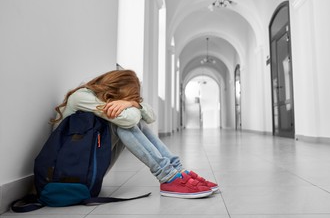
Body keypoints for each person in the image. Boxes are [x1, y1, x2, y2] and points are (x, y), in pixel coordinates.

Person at [51, 69, 218, 199]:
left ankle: (177, 171)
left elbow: (151, 116)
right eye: (125, 97)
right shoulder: (82, 97)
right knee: (124, 124)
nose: (126, 101)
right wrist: (131, 105)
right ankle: (168, 176)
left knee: (130, 120)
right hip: (67, 174)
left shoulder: (104, 99)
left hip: (87, 166)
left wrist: (131, 103)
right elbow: (129, 121)